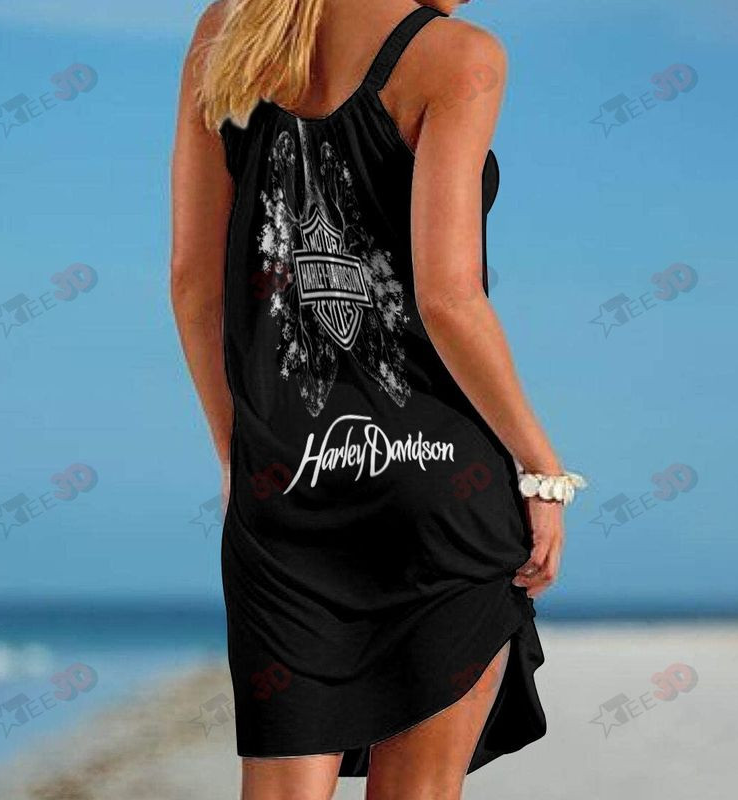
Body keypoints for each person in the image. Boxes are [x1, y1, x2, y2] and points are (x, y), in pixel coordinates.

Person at [171, 1, 585, 798]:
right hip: (436, 485)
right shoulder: (460, 56)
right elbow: (450, 299)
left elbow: (193, 284)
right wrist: (542, 469)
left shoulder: (233, 25)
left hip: (288, 489)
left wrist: (240, 454)